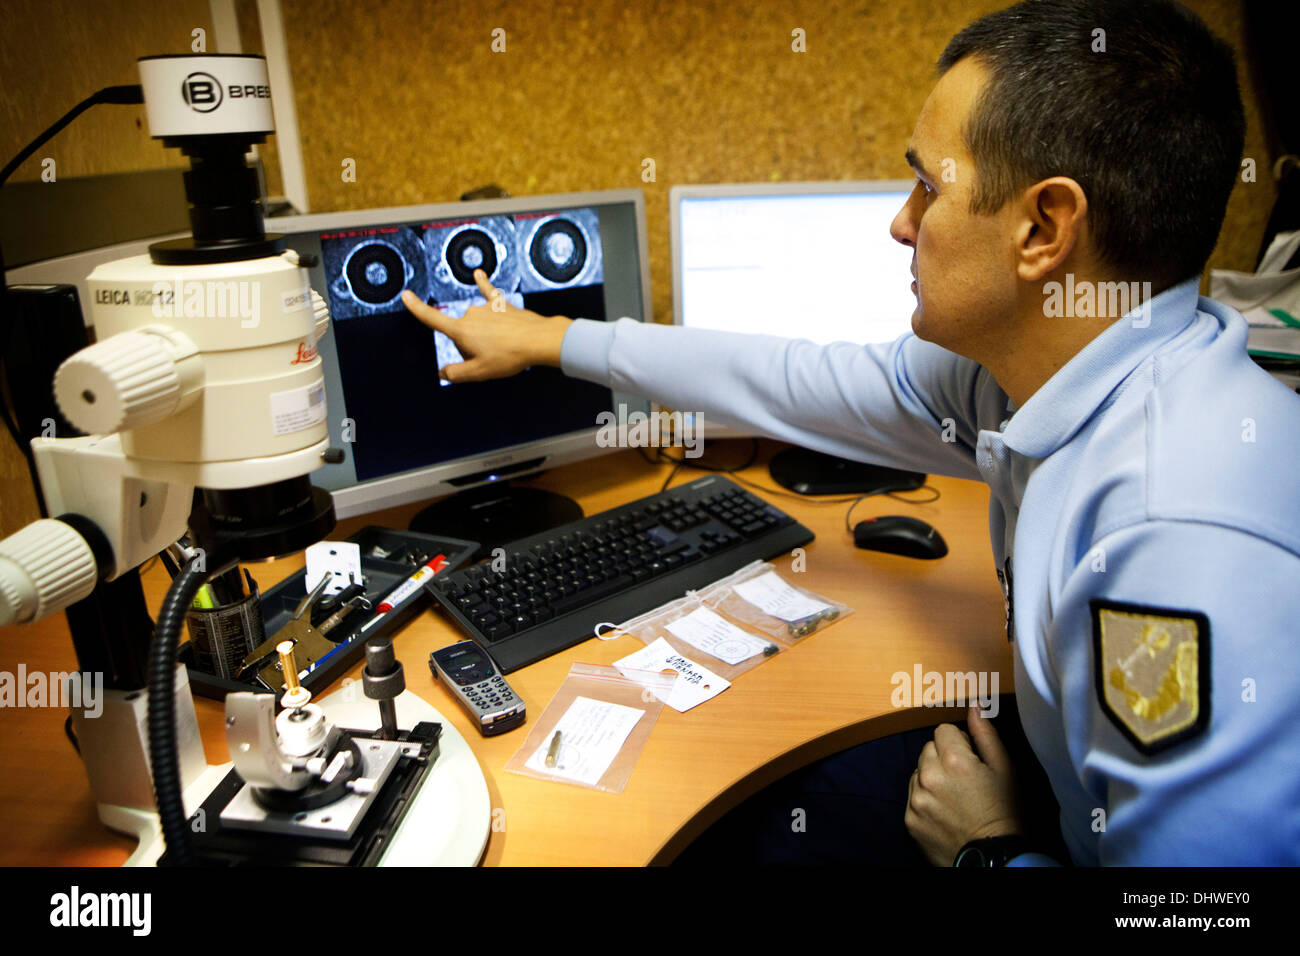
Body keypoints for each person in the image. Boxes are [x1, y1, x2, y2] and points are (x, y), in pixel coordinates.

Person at [403, 0, 1300, 865]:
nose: (901, 223)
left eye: (926, 186)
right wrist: (553, 339)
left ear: (1045, 228)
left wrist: (989, 854)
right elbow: (799, 381)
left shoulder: (1173, 543)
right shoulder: (1051, 373)